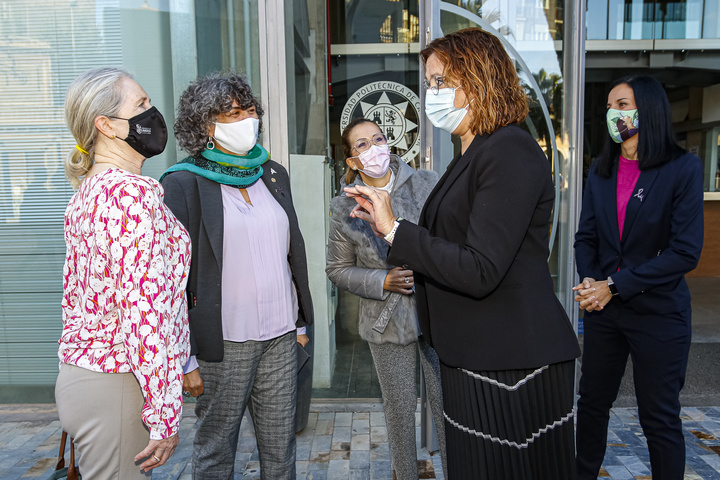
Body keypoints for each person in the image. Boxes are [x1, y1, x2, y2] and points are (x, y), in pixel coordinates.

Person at [344, 28, 581, 479]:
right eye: (429, 82)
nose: (431, 93)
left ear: (478, 78)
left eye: (439, 81)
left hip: (510, 361)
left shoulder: (509, 148)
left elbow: (480, 268)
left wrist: (394, 229)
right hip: (475, 354)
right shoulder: (471, 151)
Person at [161, 71, 314, 480]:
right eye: (230, 113)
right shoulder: (183, 183)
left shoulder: (271, 173)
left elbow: (290, 253)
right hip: (223, 344)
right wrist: (184, 357)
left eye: (249, 110)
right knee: (216, 447)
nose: (245, 119)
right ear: (204, 126)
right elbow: (171, 282)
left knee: (282, 449)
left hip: (281, 337)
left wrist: (300, 322)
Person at [55, 67, 191, 478]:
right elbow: (143, 313)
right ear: (107, 125)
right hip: (118, 382)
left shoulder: (93, 191)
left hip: (94, 379)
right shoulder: (127, 196)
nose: (153, 113)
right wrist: (165, 415)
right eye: (141, 104)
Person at [573, 75, 704, 479]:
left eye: (624, 104)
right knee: (592, 404)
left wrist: (613, 285)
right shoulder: (601, 170)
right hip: (604, 314)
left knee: (658, 417)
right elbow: (585, 238)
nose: (616, 113)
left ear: (648, 109)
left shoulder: (682, 167)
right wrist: (594, 285)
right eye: (611, 106)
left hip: (658, 312)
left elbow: (685, 252)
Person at [326, 118, 447, 479]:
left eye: (378, 139)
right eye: (362, 145)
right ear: (351, 161)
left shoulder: (428, 184)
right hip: (385, 320)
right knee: (398, 407)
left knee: (447, 404)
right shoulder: (343, 206)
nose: (373, 148)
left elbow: (448, 244)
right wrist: (383, 280)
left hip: (436, 308)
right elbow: (337, 269)